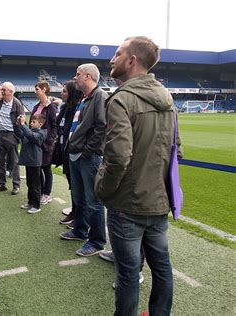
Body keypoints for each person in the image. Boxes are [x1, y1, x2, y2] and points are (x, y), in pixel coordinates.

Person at [95, 36, 180, 316]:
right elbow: (175, 151)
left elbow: (118, 157)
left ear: (131, 61)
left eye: (117, 54)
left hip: (127, 205)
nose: (112, 59)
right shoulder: (169, 101)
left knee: (129, 276)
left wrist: (103, 189)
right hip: (158, 202)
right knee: (162, 269)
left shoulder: (121, 100)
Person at [59, 63, 107, 257]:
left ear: (87, 76)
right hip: (76, 154)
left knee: (93, 202)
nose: (75, 78)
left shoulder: (100, 96)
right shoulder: (86, 98)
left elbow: (102, 127)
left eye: (78, 74)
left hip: (87, 157)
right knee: (79, 199)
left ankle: (96, 241)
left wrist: (88, 152)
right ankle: (80, 231)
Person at [0, 82, 25, 195]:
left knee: (14, 161)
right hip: (0, 134)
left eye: (4, 90)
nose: (1, 91)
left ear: (11, 92)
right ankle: (1, 184)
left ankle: (16, 185)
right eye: (2, 90)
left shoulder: (17, 103)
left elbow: (22, 118)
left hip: (12, 135)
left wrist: (19, 127)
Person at [54, 81, 83, 225]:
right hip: (64, 153)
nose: (61, 93)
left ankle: (79, 216)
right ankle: (74, 212)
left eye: (64, 91)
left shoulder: (76, 110)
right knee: (72, 185)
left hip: (72, 154)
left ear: (71, 93)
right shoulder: (65, 108)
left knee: (77, 187)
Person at [30, 81, 58, 205]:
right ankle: (40, 191)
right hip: (36, 142)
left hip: (46, 143)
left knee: (46, 168)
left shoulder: (51, 107)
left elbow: (55, 125)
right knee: (38, 168)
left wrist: (50, 140)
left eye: (37, 89)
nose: (35, 91)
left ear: (44, 89)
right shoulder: (37, 106)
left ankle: (47, 194)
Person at [14, 114, 47, 214]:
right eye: (31, 122)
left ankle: (37, 205)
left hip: (35, 162)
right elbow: (19, 134)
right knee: (29, 183)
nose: (31, 123)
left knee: (35, 184)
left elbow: (31, 136)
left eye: (34, 122)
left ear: (40, 124)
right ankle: (30, 202)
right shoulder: (29, 131)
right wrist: (17, 125)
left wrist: (23, 124)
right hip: (29, 161)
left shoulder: (41, 133)